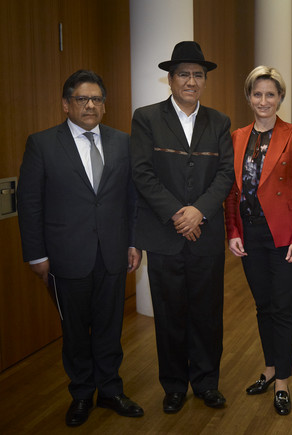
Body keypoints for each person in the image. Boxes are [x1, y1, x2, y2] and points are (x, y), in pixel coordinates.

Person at [17, 70, 144, 427]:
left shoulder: (122, 142)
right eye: (82, 99)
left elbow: (132, 199)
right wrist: (36, 255)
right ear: (65, 104)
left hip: (113, 253)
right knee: (75, 333)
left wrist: (134, 242)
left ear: (104, 105)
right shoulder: (42, 144)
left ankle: (110, 390)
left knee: (109, 327)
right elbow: (30, 204)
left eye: (97, 99)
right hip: (65, 255)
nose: (90, 105)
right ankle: (81, 394)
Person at [130, 41, 234, 414]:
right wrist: (179, 213)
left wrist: (199, 213)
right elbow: (141, 172)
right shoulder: (146, 118)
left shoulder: (219, 122)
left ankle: (207, 382)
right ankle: (173, 385)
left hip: (205, 235)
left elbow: (225, 175)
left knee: (207, 314)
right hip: (164, 236)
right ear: (170, 79)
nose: (191, 81)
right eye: (184, 74)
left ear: (204, 81)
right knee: (170, 314)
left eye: (198, 75)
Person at [225, 66, 292, 416]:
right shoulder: (236, 136)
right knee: (263, 306)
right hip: (250, 234)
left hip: (283, 236)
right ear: (249, 97)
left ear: (280, 98)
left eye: (270, 95)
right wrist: (232, 231)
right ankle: (269, 368)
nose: (263, 101)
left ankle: (282, 383)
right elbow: (232, 192)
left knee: (283, 308)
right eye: (257, 94)